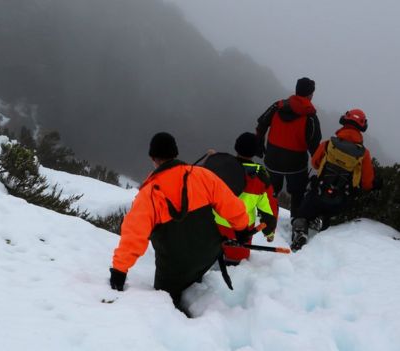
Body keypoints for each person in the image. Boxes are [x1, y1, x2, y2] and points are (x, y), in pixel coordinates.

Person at [109, 132, 250, 311]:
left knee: (166, 303)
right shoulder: (203, 176)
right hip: (208, 254)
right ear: (175, 154)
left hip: (173, 269)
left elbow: (134, 235)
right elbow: (232, 205)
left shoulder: (149, 193)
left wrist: (120, 270)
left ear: (153, 158)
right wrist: (242, 228)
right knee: (193, 269)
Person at [291, 109, 379, 251]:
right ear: (362, 127)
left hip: (318, 194)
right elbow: (367, 183)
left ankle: (301, 230)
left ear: (344, 121)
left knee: (301, 214)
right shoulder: (364, 154)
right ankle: (325, 223)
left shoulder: (328, 144)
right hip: (341, 201)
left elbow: (315, 163)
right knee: (334, 213)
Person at [256, 77, 321, 218]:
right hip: (296, 164)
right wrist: (319, 165)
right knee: (297, 194)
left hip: (272, 158)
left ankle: (266, 219)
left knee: (271, 190)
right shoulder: (310, 117)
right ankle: (296, 223)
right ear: (310, 94)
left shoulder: (278, 106)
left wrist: (259, 142)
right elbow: (314, 144)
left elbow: (262, 123)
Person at [216, 132, 280, 265]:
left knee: (211, 255)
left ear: (236, 147)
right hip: (241, 231)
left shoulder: (220, 167)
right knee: (236, 265)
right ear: (255, 151)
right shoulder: (260, 176)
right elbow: (269, 208)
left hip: (213, 226)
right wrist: (269, 232)